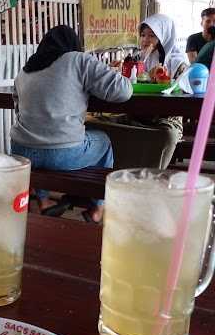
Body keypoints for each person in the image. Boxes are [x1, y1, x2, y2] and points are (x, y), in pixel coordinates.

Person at [10, 25, 132, 223]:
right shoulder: (77, 59)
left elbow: (18, 109)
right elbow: (123, 91)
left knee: (41, 137)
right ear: (73, 45)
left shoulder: (25, 70)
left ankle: (44, 201)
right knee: (103, 140)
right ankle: (98, 207)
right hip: (63, 155)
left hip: (21, 150)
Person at [92, 14, 188, 170]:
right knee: (96, 124)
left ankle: (149, 175)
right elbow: (127, 85)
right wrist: (116, 70)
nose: (145, 40)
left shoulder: (177, 62)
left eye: (152, 36)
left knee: (167, 136)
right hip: (136, 115)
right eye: (143, 35)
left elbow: (184, 90)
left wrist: (160, 79)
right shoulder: (136, 58)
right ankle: (117, 171)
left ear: (164, 36)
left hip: (165, 120)